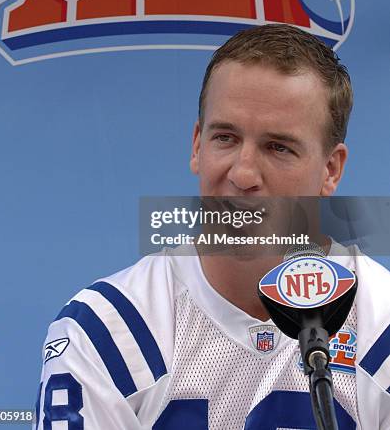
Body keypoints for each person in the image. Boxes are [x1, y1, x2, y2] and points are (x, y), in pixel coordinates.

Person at [34, 24, 390, 429]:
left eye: (278, 147)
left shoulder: (382, 323)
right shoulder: (108, 328)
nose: (243, 173)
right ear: (197, 145)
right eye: (226, 138)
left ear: (331, 170)